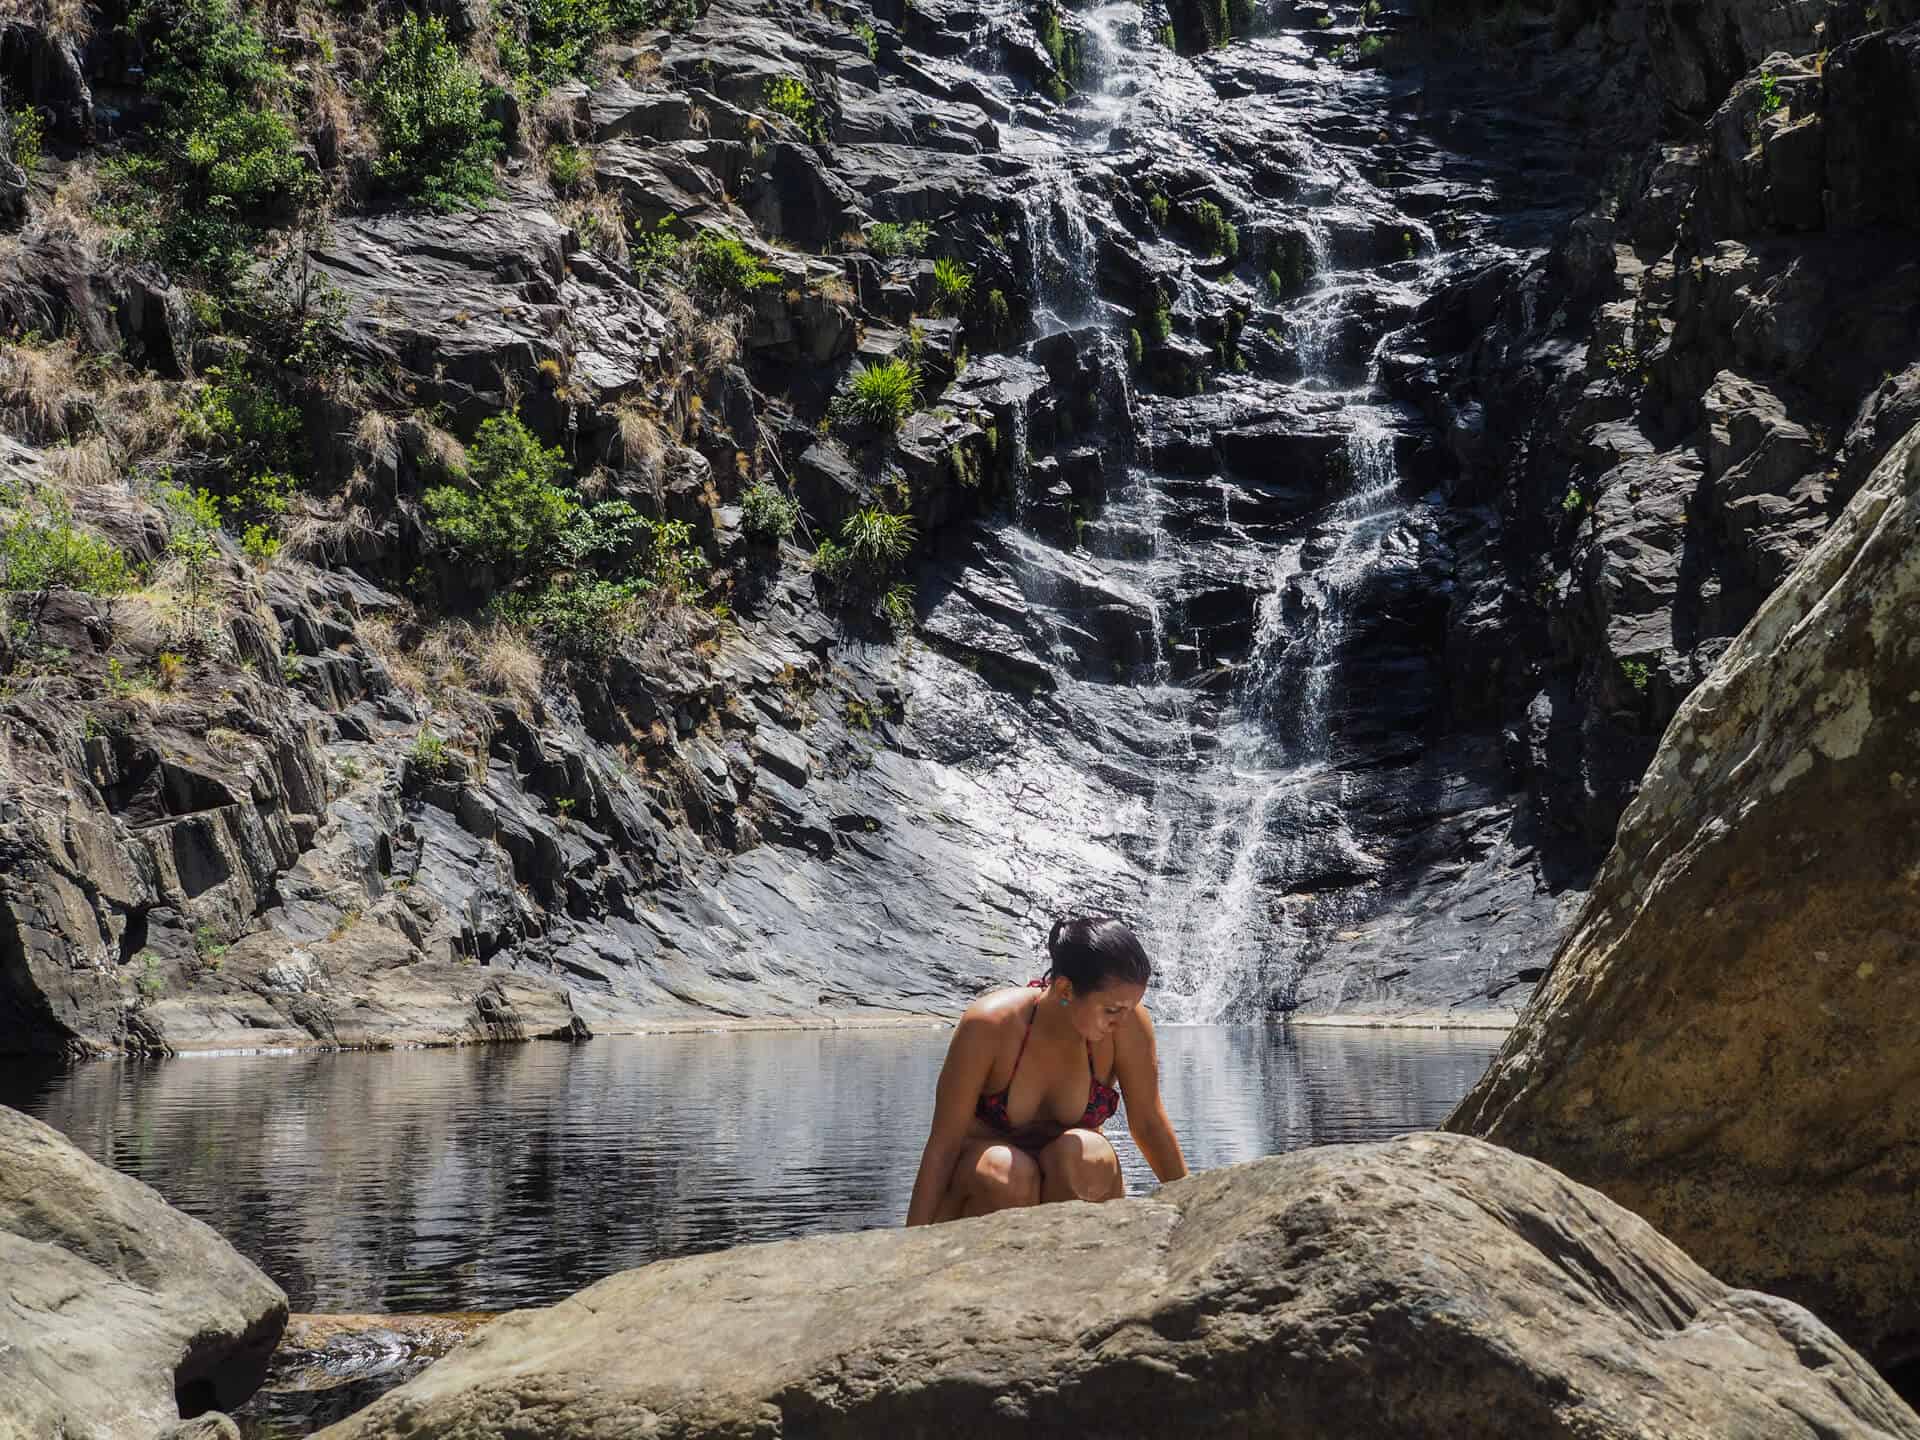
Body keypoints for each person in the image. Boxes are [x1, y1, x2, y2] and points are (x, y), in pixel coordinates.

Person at [905, 915, 1188, 1226]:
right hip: (986, 1190)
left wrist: (1194, 1213)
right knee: (1006, 1173)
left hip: (1074, 1183)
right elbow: (943, 1145)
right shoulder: (989, 1025)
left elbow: (1149, 1124)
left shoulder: (1128, 1026)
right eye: (1111, 1010)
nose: (1121, 1022)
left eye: (1131, 1008)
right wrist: (909, 1246)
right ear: (1066, 989)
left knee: (1083, 1157)